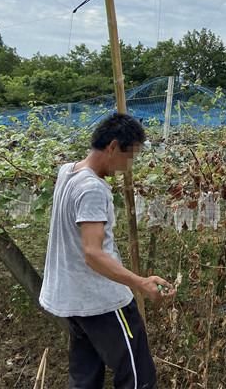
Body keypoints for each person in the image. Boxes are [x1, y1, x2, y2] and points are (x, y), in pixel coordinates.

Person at [39, 112, 175, 389]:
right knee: (138, 378)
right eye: (130, 156)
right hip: (101, 302)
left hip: (72, 301)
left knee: (85, 379)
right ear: (113, 147)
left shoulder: (68, 171)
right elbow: (93, 253)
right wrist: (141, 283)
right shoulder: (92, 188)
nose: (129, 166)